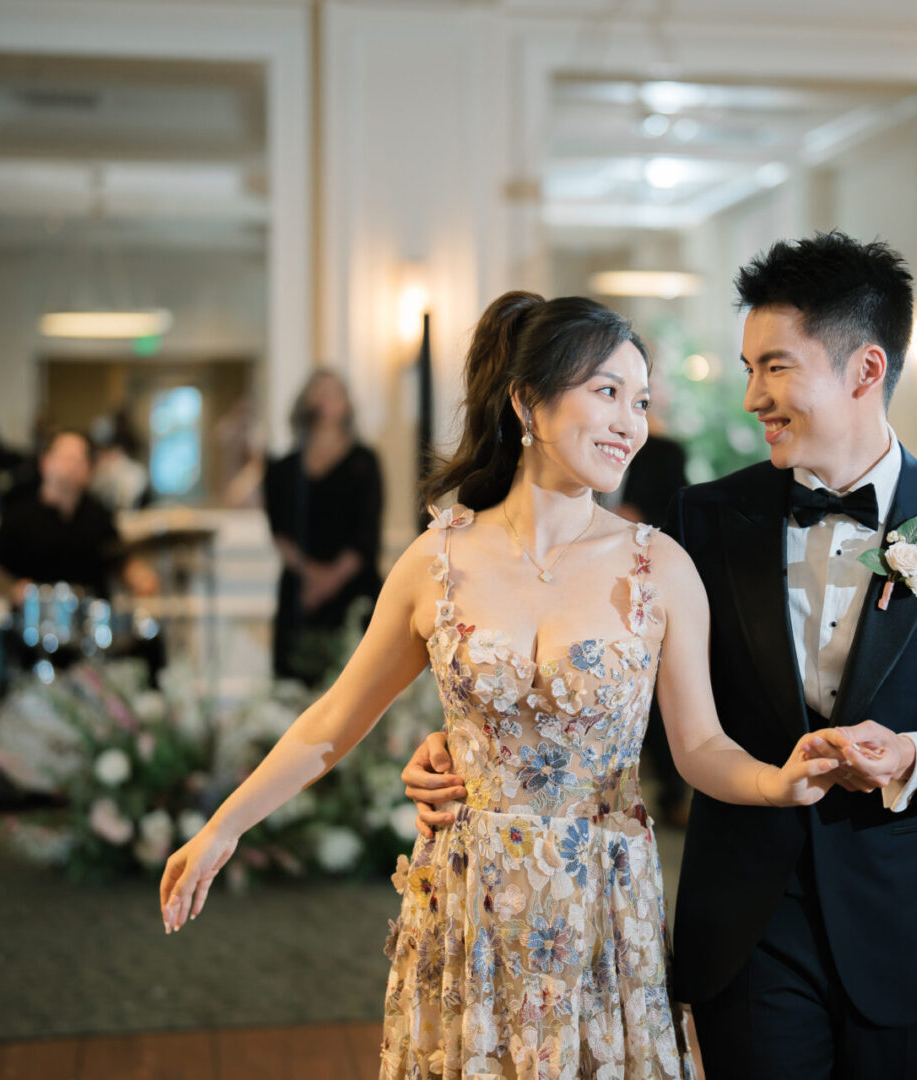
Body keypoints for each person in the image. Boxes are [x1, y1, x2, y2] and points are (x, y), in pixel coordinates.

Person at [157, 292, 843, 1079]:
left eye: (642, 400)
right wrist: (223, 828)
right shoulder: (436, 560)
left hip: (601, 912)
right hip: (467, 902)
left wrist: (775, 781)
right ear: (528, 401)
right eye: (607, 392)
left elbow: (698, 746)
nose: (631, 422)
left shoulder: (661, 567)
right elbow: (334, 721)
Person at [406, 233, 917, 1079]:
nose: (752, 398)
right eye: (748, 369)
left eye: (774, 368)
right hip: (748, 911)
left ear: (864, 369)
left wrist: (914, 755)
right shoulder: (702, 521)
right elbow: (609, 663)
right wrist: (472, 736)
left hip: (900, 910)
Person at [263, 371, 385, 685]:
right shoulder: (284, 469)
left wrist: (328, 582)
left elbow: (367, 534)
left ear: (347, 405)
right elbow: (280, 532)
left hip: (353, 590)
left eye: (335, 392)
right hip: (300, 594)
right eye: (319, 391)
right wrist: (310, 578)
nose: (326, 399)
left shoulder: (364, 462)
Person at [617, 408, 692, 826]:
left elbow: (677, 510)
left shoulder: (665, 453)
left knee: (663, 696)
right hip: (593, 580)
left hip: (649, 576)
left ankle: (671, 793)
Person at [0, 429, 159, 602]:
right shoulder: (18, 516)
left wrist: (139, 576)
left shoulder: (98, 514)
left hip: (92, 622)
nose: (72, 466)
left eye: (78, 460)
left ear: (88, 470)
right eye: (65, 458)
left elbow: (119, 561)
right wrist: (13, 588)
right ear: (45, 463)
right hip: (34, 622)